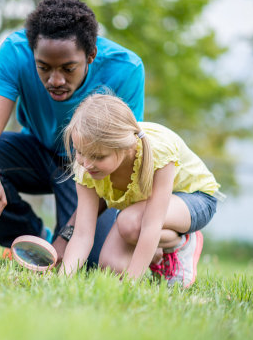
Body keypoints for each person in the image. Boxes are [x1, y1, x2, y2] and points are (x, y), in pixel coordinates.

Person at [0, 0, 145, 265]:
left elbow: (122, 161)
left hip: (90, 168)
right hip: (36, 152)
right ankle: (36, 240)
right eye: (43, 67)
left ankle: (173, 243)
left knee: (90, 263)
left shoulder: (125, 69)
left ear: (91, 56)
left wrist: (68, 237)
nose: (55, 80)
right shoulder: (15, 52)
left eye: (68, 68)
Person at [60, 94, 222, 287]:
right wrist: (62, 279)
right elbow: (82, 234)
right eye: (80, 152)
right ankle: (157, 255)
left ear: (125, 147)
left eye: (98, 156)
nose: (86, 164)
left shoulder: (158, 151)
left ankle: (181, 243)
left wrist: (130, 285)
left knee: (130, 222)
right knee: (110, 268)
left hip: (195, 199)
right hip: (144, 211)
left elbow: (151, 225)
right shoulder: (86, 167)